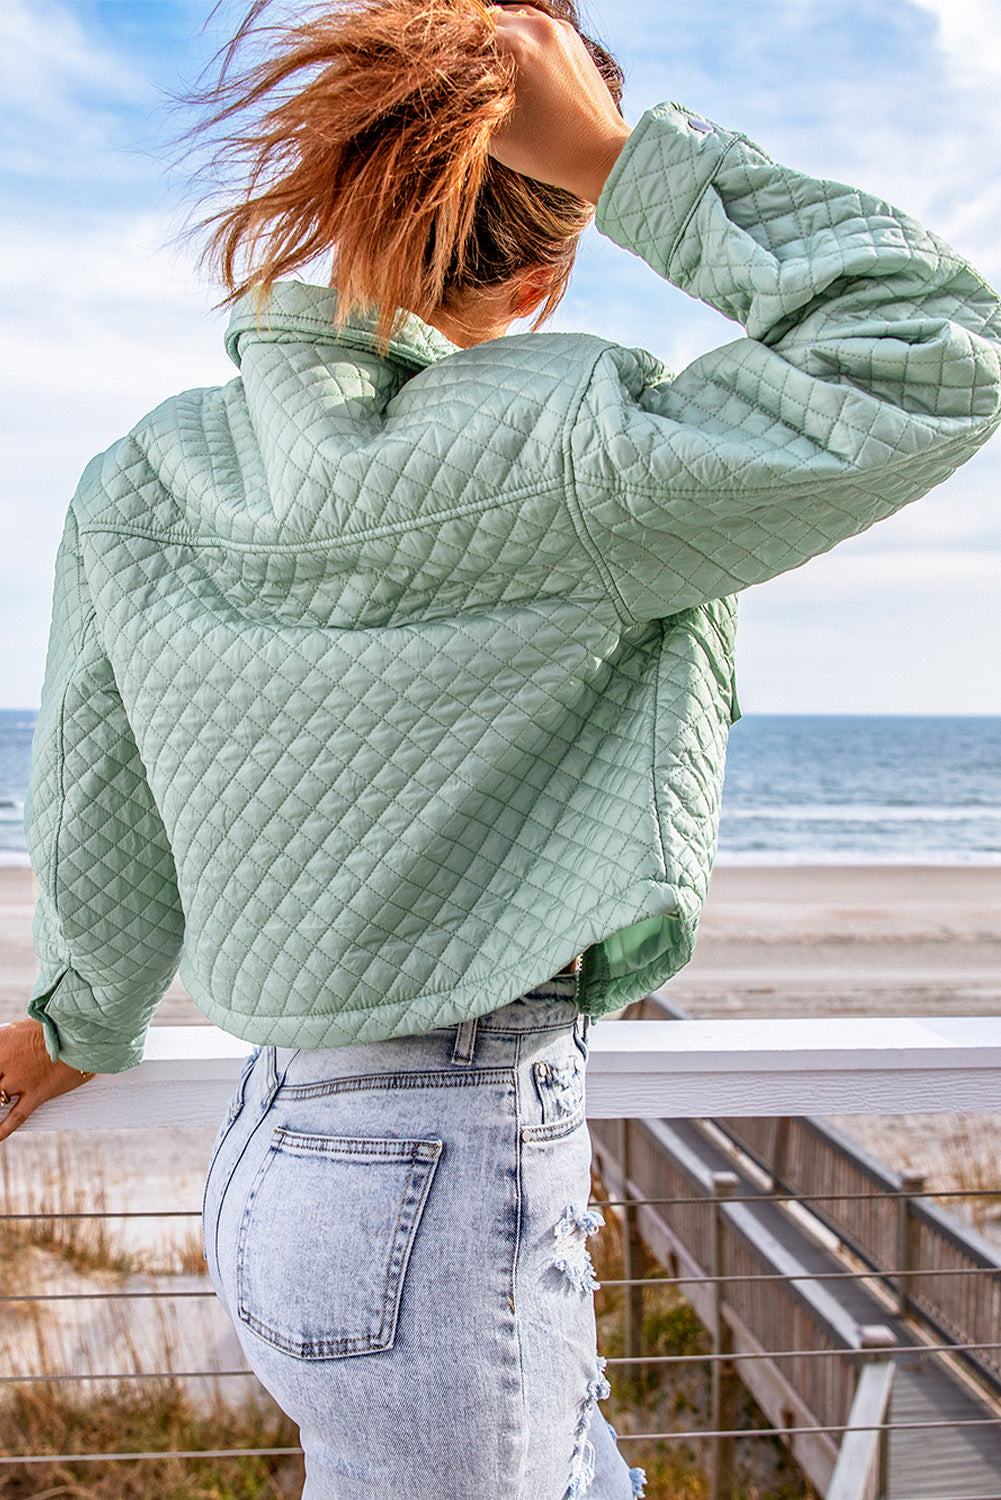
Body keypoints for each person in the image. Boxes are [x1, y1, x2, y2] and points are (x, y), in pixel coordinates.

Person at [1, 1, 999, 1495]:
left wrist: (71, 1022)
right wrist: (621, 157)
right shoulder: (570, 453)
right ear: (547, 266)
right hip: (451, 1152)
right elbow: (932, 350)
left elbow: (101, 802)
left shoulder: (142, 474)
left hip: (278, 1155)